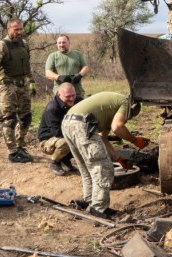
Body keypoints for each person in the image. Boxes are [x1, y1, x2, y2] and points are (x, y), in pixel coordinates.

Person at [62, 91, 149, 219]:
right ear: (132, 108)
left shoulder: (108, 111)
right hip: (82, 125)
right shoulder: (125, 102)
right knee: (103, 168)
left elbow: (102, 139)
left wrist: (119, 159)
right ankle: (99, 208)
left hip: (68, 123)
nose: (127, 119)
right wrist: (134, 140)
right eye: (129, 116)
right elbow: (117, 127)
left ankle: (89, 201)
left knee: (87, 168)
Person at [0, 18, 36, 163]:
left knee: (26, 117)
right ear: (9, 29)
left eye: (21, 29)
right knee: (10, 119)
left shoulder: (24, 44)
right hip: (8, 87)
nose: (20, 32)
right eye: (16, 29)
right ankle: (13, 152)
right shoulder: (2, 45)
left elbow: (27, 65)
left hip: (23, 86)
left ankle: (20, 145)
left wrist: (31, 81)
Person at [37, 82, 78, 176]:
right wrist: (77, 135)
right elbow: (57, 132)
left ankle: (65, 160)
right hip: (48, 140)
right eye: (68, 96)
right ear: (59, 94)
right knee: (67, 141)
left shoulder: (77, 101)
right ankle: (55, 162)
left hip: (63, 134)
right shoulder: (53, 108)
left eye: (73, 95)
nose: (72, 99)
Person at [45, 34, 89, 99]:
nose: (61, 45)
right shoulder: (53, 56)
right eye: (59, 43)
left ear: (69, 43)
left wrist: (80, 75)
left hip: (77, 92)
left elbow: (85, 67)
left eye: (64, 42)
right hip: (60, 93)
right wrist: (59, 77)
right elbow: (48, 73)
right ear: (57, 44)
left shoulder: (78, 54)